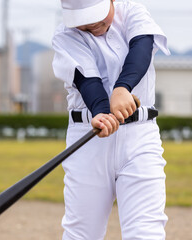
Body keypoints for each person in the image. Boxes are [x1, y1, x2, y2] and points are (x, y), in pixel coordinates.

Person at [52, 0, 171, 239]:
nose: (90, 24)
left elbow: (142, 47)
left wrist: (122, 88)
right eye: (82, 21)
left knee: (145, 232)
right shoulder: (64, 36)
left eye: (95, 15)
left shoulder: (133, 11)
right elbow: (86, 79)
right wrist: (100, 111)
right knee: (82, 233)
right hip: (89, 136)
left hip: (140, 137)